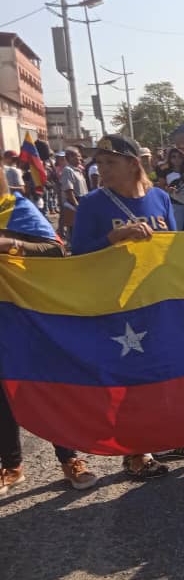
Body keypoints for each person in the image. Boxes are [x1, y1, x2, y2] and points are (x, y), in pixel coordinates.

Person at [69, 134, 181, 478]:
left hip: (157, 299)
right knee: (131, 377)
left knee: (163, 371)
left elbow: (174, 248)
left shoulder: (160, 198)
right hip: (118, 303)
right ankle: (136, 453)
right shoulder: (92, 204)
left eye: (110, 163)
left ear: (134, 164)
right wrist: (112, 239)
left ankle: (159, 436)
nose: (101, 169)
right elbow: (76, 257)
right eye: (99, 163)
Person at [0, 169, 101, 494]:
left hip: (24, 313)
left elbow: (55, 250)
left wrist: (9, 244)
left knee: (44, 385)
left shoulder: (18, 209)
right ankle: (12, 465)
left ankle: (69, 458)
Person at [156, 147, 184, 232]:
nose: (177, 159)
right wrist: (168, 189)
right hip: (176, 205)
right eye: (174, 157)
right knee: (176, 231)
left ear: (183, 158)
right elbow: (160, 187)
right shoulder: (165, 172)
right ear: (170, 158)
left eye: (179, 157)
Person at [58, 146, 89, 240]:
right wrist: (77, 206)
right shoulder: (68, 170)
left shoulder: (78, 170)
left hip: (82, 203)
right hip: (74, 205)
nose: (80, 158)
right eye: (78, 156)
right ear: (70, 158)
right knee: (75, 232)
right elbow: (69, 191)